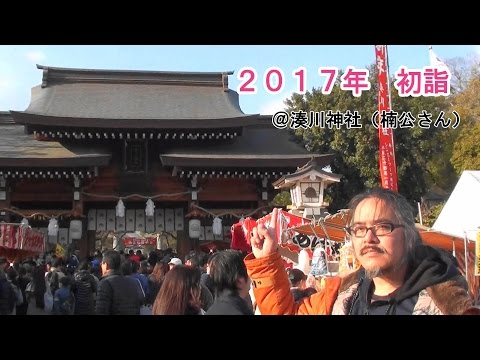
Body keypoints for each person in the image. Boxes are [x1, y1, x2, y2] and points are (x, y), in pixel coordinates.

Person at [245, 188, 479, 315]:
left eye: (382, 227)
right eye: (359, 229)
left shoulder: (446, 304)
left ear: (409, 236)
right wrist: (267, 260)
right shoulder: (340, 297)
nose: (368, 238)